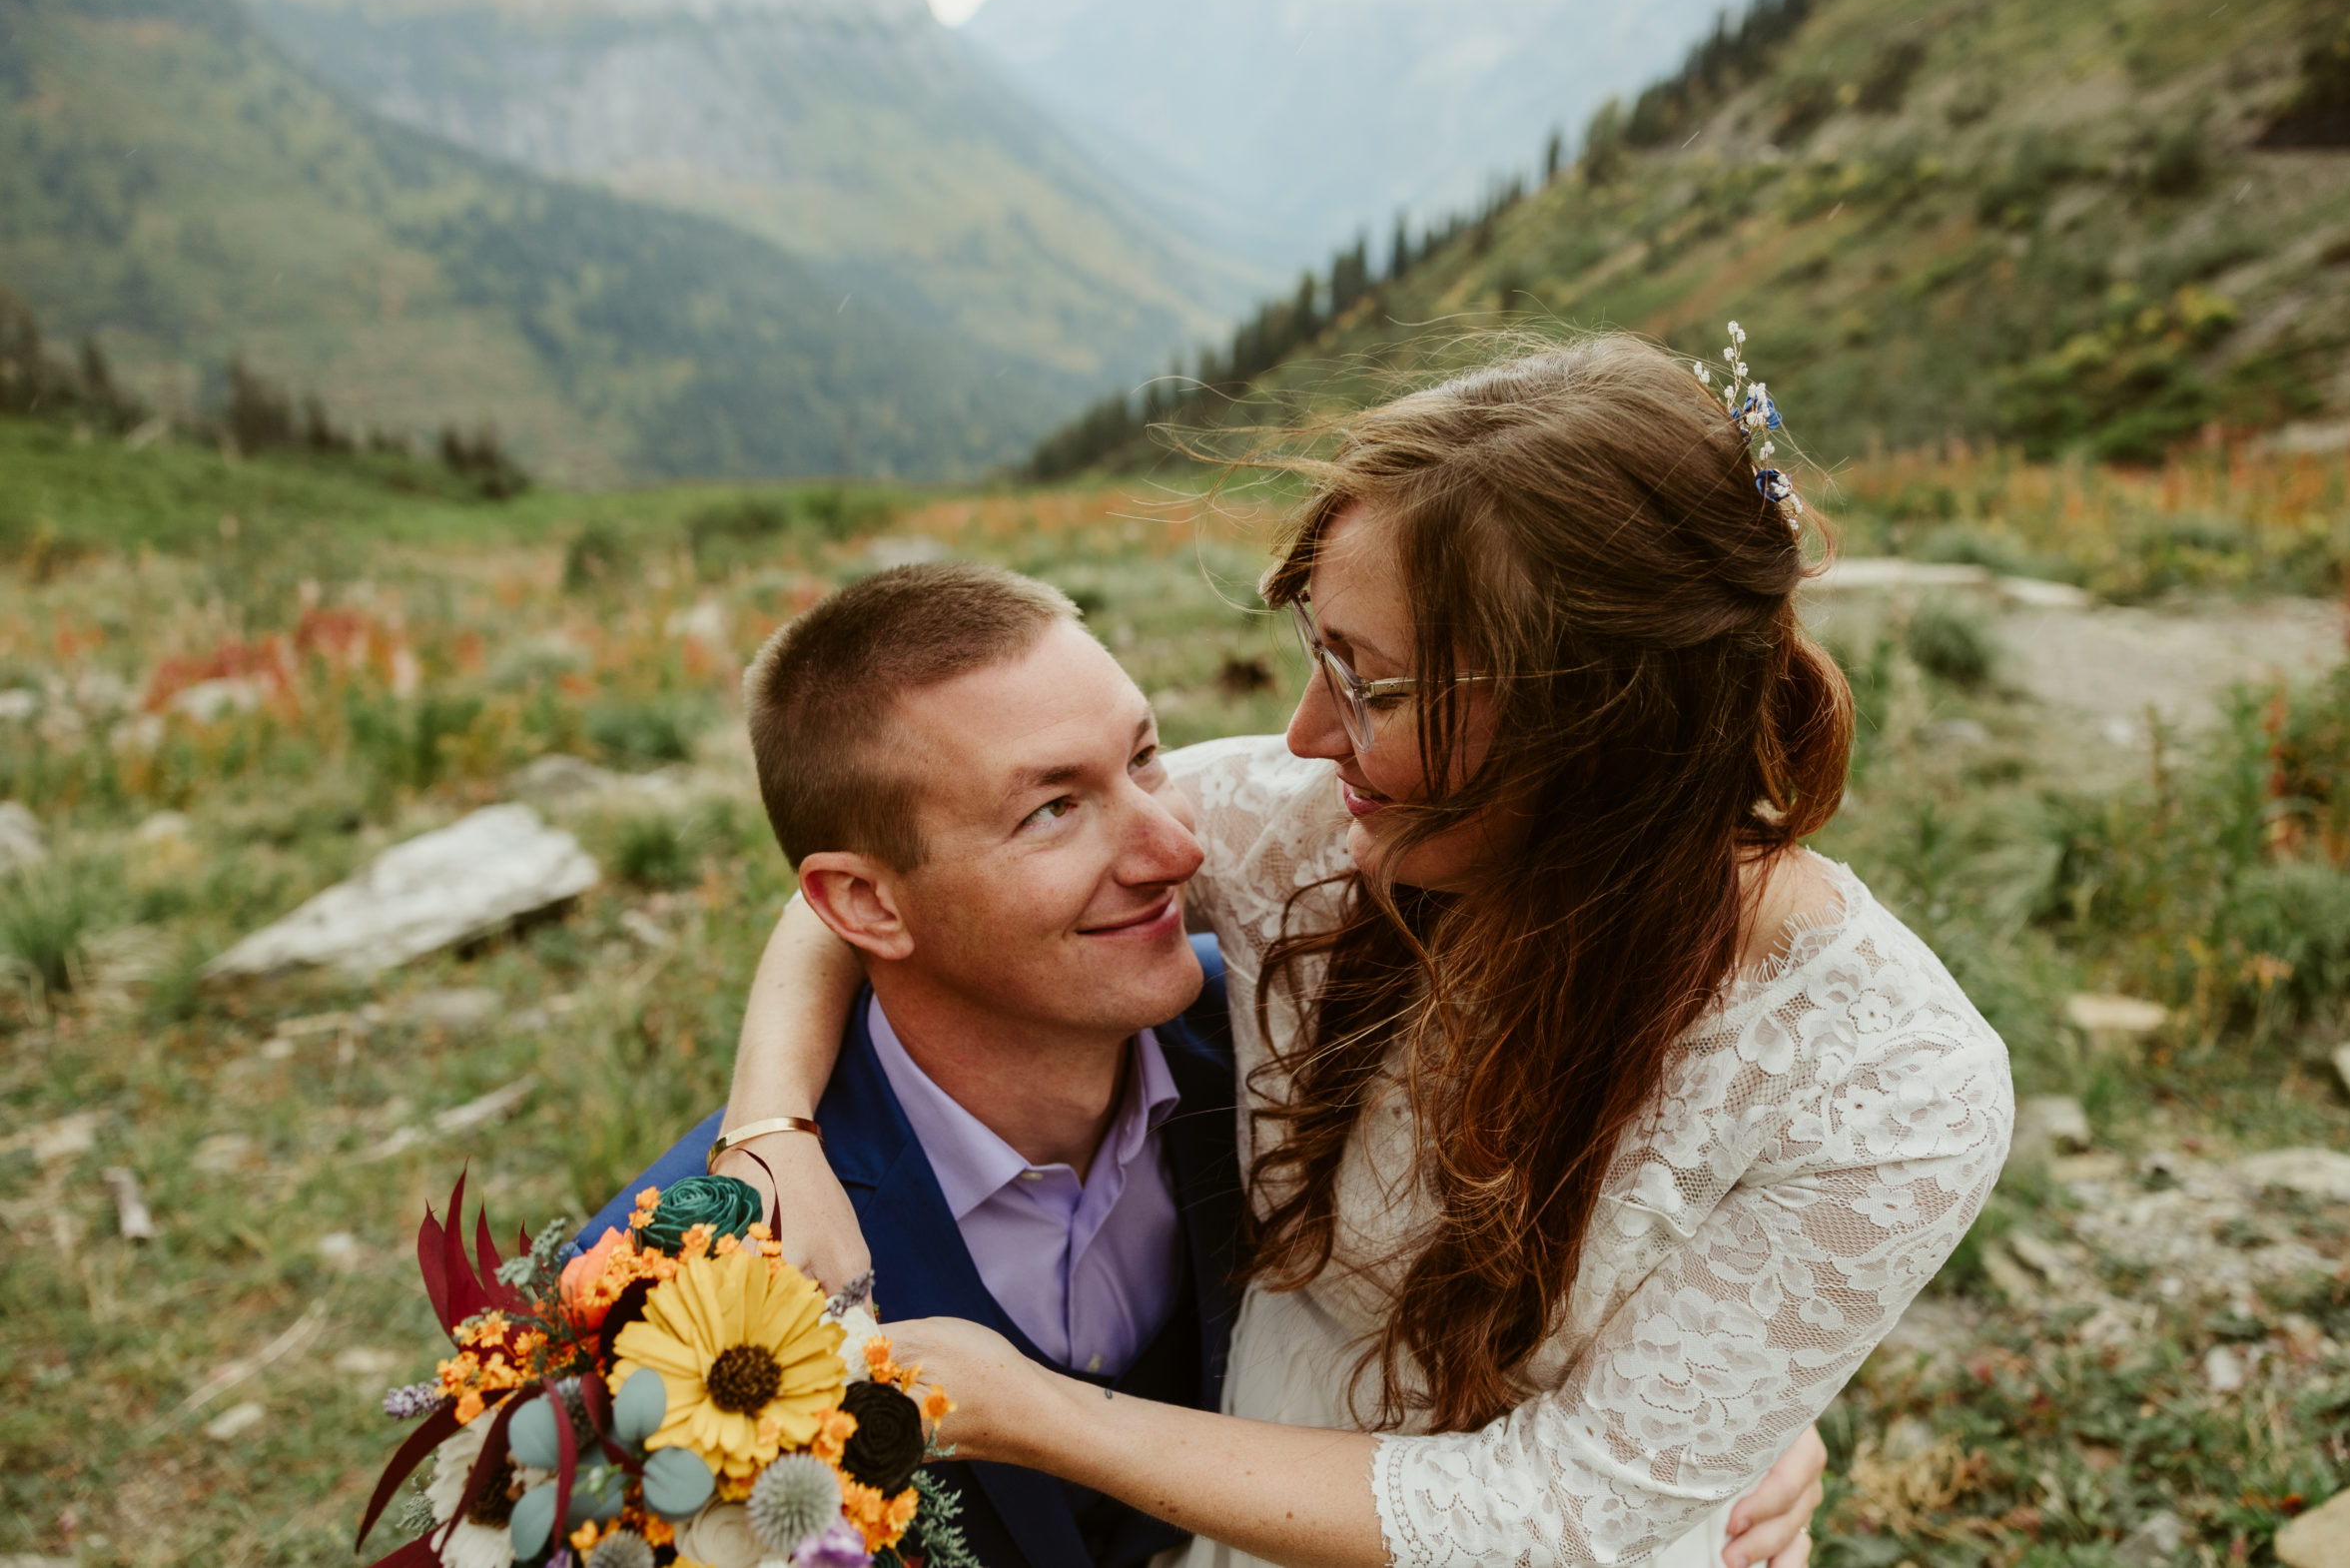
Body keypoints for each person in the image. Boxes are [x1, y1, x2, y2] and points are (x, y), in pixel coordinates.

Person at [717, 334, 2011, 1568]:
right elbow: (887, 875)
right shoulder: (1310, 832)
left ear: (1600, 717)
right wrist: (770, 1124)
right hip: (1250, 1499)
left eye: (1373, 685)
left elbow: (1569, 1511)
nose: (1302, 734)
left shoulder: (1895, 1080)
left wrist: (1026, 1409)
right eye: (1316, 651)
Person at [577, 558, 1825, 1567]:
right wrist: (771, 1127)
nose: (1178, 846)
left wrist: (1736, 1425)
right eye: (1052, 810)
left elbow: (1568, 1238)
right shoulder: (683, 1287)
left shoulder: (1303, 1032)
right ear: (868, 904)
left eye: (1145, 756)